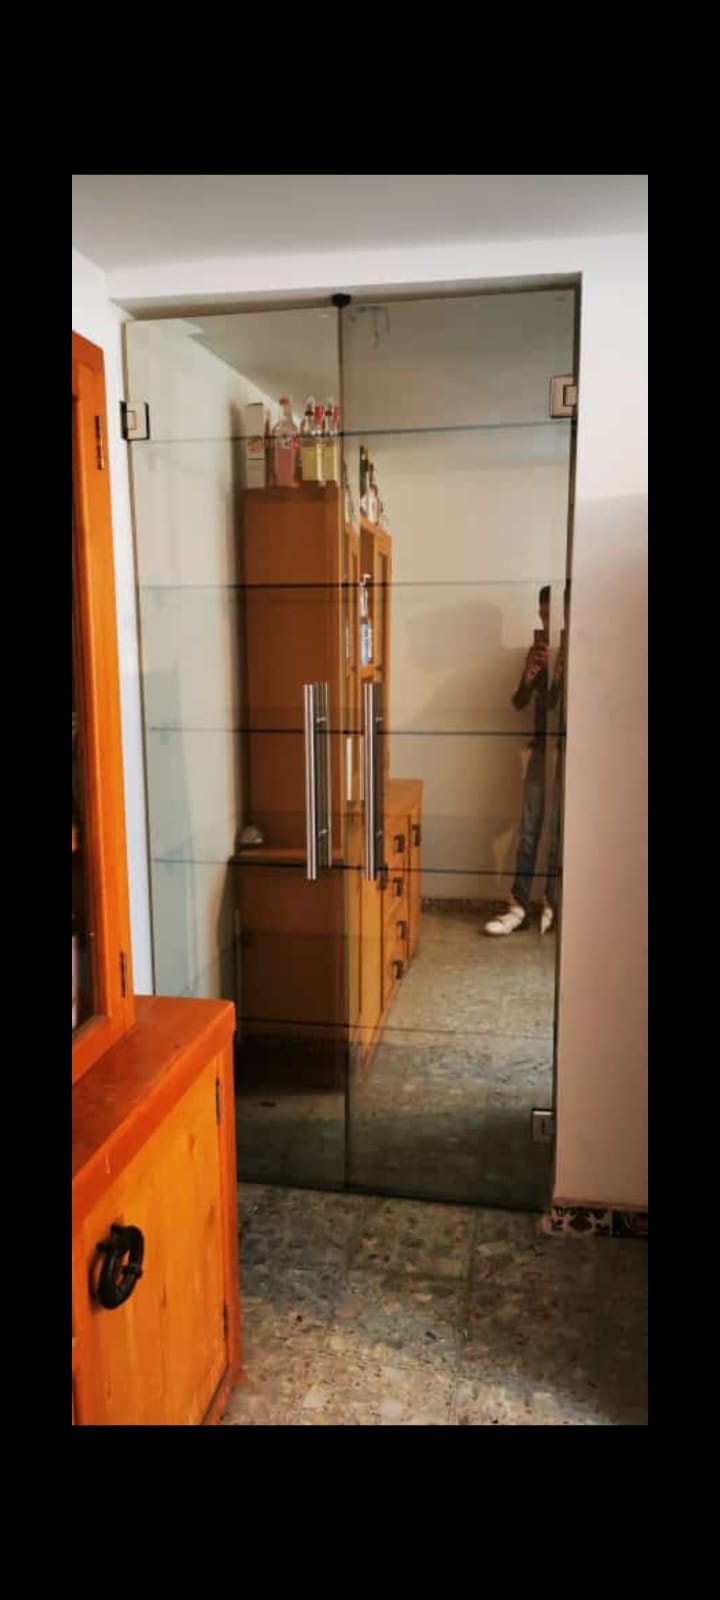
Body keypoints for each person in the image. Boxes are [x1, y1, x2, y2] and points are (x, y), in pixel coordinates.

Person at [484, 585, 567, 937]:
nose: (546, 622)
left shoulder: (580, 652)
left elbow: (564, 707)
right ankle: (518, 905)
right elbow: (520, 702)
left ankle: (552, 902)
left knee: (560, 830)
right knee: (530, 828)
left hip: (570, 754)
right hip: (540, 750)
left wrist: (562, 675)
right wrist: (530, 676)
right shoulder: (538, 653)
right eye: (543, 615)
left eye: (552, 615)